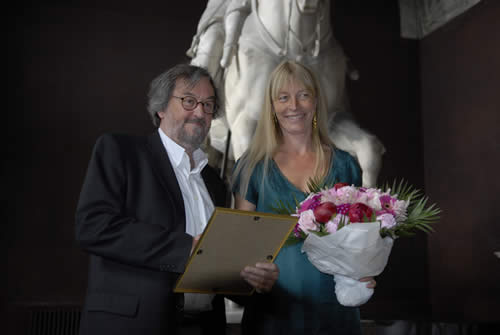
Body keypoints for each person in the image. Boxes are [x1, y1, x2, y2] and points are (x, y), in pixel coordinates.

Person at [75, 63, 278, 335]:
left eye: (208, 105)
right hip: (132, 324)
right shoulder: (121, 152)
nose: (200, 112)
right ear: (160, 108)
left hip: (204, 326)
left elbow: (217, 269)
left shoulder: (214, 182)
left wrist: (250, 279)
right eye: (189, 101)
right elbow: (93, 226)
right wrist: (189, 249)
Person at [231, 60, 377, 335]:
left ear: (316, 101)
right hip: (273, 312)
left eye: (303, 95)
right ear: (271, 106)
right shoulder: (251, 166)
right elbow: (242, 248)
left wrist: (365, 269)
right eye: (283, 98)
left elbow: (359, 236)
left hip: (334, 311)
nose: (293, 106)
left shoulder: (345, 164)